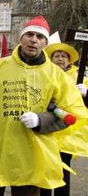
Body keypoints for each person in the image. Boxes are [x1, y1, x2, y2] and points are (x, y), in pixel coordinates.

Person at [0, 16, 87, 196]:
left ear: (45, 44)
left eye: (39, 37)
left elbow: (71, 114)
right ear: (21, 38)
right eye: (30, 35)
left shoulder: (56, 76)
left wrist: (41, 120)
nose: (34, 40)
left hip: (31, 154)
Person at [40, 42, 88, 196]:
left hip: (68, 132)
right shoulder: (44, 74)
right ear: (51, 59)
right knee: (45, 168)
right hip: (47, 128)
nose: (60, 59)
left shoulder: (80, 77)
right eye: (57, 56)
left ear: (69, 60)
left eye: (63, 56)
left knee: (63, 169)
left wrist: (86, 93)